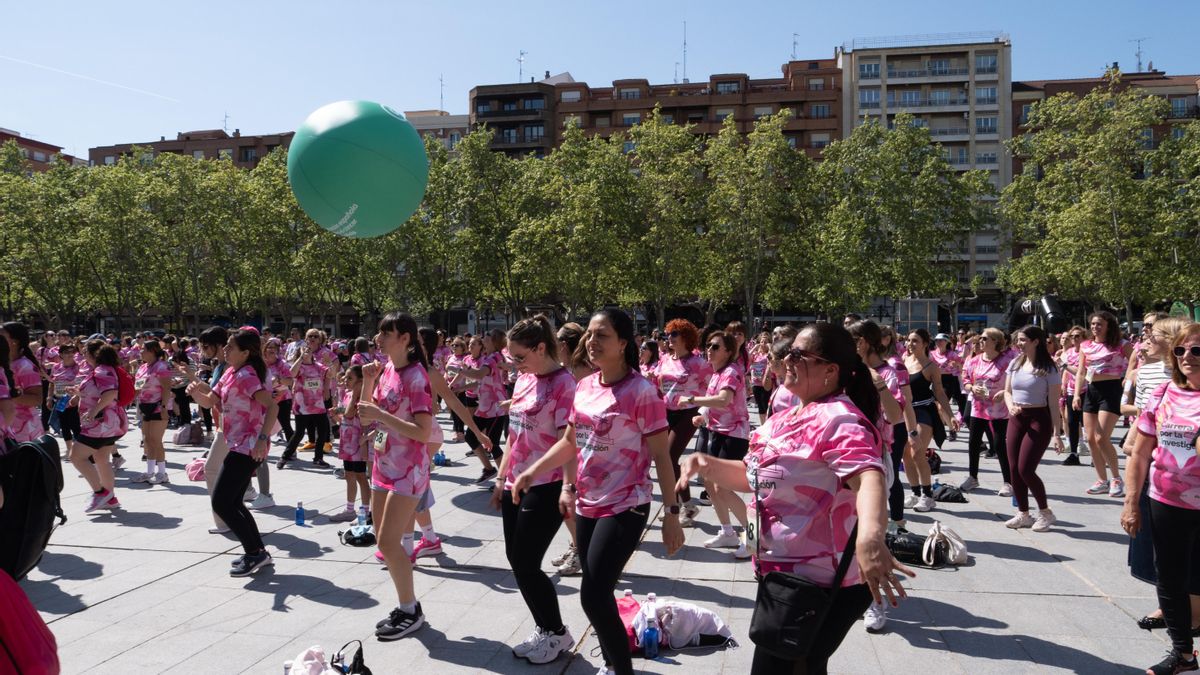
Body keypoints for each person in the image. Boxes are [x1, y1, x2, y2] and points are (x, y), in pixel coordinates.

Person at [677, 322, 912, 674]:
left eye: (799, 355)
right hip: (782, 575)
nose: (787, 358)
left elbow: (869, 477)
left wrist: (871, 537)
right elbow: (755, 476)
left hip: (820, 581)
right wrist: (706, 465)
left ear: (830, 371)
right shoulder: (785, 417)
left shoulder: (840, 420)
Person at [513, 309, 684, 675]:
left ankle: (621, 669)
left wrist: (672, 516)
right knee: (598, 595)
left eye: (601, 335)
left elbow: (662, 458)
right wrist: (532, 471)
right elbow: (571, 441)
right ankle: (612, 662)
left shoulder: (642, 392)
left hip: (627, 505)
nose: (592, 342)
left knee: (591, 595)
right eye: (589, 334)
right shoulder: (587, 386)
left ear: (623, 343)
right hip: (588, 503)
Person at [489, 316, 577, 664]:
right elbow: (513, 435)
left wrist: (567, 488)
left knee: (527, 562)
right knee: (517, 561)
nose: (515, 364)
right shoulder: (525, 380)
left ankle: (557, 633)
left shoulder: (565, 385)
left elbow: (567, 444)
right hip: (516, 482)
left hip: (548, 484)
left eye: (520, 357)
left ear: (542, 348)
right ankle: (545, 628)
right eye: (511, 358)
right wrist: (500, 478)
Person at [1122, 322, 1200, 675]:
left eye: (1196, 351)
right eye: (1181, 350)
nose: (1187, 357)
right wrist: (1130, 501)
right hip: (1165, 501)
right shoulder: (1163, 394)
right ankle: (1183, 654)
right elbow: (1139, 454)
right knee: (1169, 578)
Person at [357, 313, 434, 641]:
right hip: (383, 463)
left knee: (389, 541)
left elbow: (423, 431)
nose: (379, 338)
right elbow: (363, 417)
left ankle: (410, 608)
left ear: (405, 338)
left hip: (409, 471)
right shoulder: (385, 369)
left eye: (386, 333)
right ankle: (407, 606)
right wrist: (368, 381)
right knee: (382, 540)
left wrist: (381, 415)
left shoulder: (417, 377)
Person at [186, 329, 278, 577]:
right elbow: (209, 402)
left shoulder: (247, 375)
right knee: (234, 501)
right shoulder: (230, 372)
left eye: (230, 346)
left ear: (245, 353)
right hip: (236, 443)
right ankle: (258, 551)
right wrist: (195, 391)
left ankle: (254, 553)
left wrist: (262, 438)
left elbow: (272, 406)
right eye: (225, 345)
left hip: (248, 445)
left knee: (222, 502)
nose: (225, 349)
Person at [681, 330, 752, 559]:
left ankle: (754, 537)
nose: (708, 350)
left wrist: (693, 401)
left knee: (723, 487)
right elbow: (713, 400)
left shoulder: (731, 371)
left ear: (728, 351)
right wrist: (701, 413)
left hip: (735, 435)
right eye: (708, 346)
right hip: (717, 432)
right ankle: (727, 532)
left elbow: (724, 399)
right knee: (710, 485)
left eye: (714, 346)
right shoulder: (717, 373)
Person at [1002, 325, 1065, 532]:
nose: (1019, 344)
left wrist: (1058, 434)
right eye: (1018, 340)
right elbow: (1007, 391)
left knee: (1026, 469)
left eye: (1023, 340)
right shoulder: (1015, 362)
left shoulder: (1049, 368)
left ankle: (1046, 512)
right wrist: (1010, 405)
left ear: (1036, 341)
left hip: (1039, 419)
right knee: (1013, 469)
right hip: (1016, 418)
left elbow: (1054, 404)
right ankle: (1023, 513)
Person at [657, 319, 713, 526]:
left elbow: (712, 388)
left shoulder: (698, 363)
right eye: (668, 334)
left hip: (688, 413)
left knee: (670, 457)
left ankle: (686, 505)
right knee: (666, 460)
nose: (669, 338)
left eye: (674, 334)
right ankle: (678, 505)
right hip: (666, 412)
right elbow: (659, 384)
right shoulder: (664, 359)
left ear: (686, 338)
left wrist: (704, 412)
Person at [1074, 311, 1133, 497]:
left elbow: (1134, 361)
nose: (1095, 327)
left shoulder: (1121, 344)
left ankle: (1116, 478)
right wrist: (1076, 394)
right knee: (1090, 438)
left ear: (1108, 325)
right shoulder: (1086, 345)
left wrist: (1127, 378)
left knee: (1101, 437)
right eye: (1092, 324)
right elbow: (1081, 372)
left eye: (1099, 324)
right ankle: (1102, 479)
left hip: (1111, 390)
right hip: (1091, 391)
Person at [901, 329, 957, 512]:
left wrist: (951, 416)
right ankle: (916, 493)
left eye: (915, 341)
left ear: (925, 343)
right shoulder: (904, 360)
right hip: (905, 411)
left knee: (918, 452)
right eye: (909, 340)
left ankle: (927, 495)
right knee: (905, 455)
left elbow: (940, 393)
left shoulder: (931, 366)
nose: (910, 344)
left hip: (924, 410)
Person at [70, 339, 128, 513]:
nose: (82, 355)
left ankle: (100, 492)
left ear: (92, 353)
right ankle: (111, 498)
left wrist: (94, 411)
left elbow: (110, 393)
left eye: (84, 351)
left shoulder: (102, 370)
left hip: (101, 424)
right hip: (109, 424)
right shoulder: (101, 370)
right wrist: (79, 394)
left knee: (76, 456)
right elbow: (99, 392)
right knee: (102, 460)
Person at [961, 328, 1014, 494]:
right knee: (973, 442)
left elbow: (1015, 379)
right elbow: (965, 379)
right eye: (980, 339)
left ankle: (1008, 482)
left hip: (999, 408)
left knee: (999, 444)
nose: (981, 342)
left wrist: (1005, 392)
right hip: (978, 406)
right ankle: (973, 477)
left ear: (995, 341)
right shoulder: (974, 360)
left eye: (985, 339)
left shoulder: (1007, 359)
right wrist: (971, 387)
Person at [277, 335, 335, 469]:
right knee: (299, 433)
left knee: (322, 432)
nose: (307, 350)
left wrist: (330, 363)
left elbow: (331, 374)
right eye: (304, 349)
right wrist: (301, 358)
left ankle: (318, 458)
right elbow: (291, 373)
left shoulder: (318, 366)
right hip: (302, 405)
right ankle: (285, 457)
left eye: (308, 349)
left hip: (318, 405)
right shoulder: (299, 366)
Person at [130, 340, 174, 484]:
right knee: (147, 441)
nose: (140, 351)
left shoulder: (161, 366)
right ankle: (149, 472)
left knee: (156, 440)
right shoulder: (143, 367)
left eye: (143, 349)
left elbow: (167, 388)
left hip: (157, 407)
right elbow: (138, 388)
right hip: (145, 406)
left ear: (152, 351)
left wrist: (164, 408)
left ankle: (162, 473)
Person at [2, 322, 45, 444]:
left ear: (14, 342)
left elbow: (36, 399)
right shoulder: (6, 364)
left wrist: (8, 395)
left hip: (23, 432)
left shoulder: (24, 366)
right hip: (8, 428)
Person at [1057, 326, 1087, 465]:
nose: (1074, 339)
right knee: (1071, 422)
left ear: (1083, 338)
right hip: (1071, 391)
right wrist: (1063, 385)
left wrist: (1064, 365)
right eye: (1072, 336)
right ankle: (1074, 454)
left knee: (1087, 424)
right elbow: (1064, 371)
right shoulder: (1068, 352)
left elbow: (1081, 372)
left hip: (1086, 390)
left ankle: (1097, 455)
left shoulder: (1087, 351)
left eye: (1077, 336)